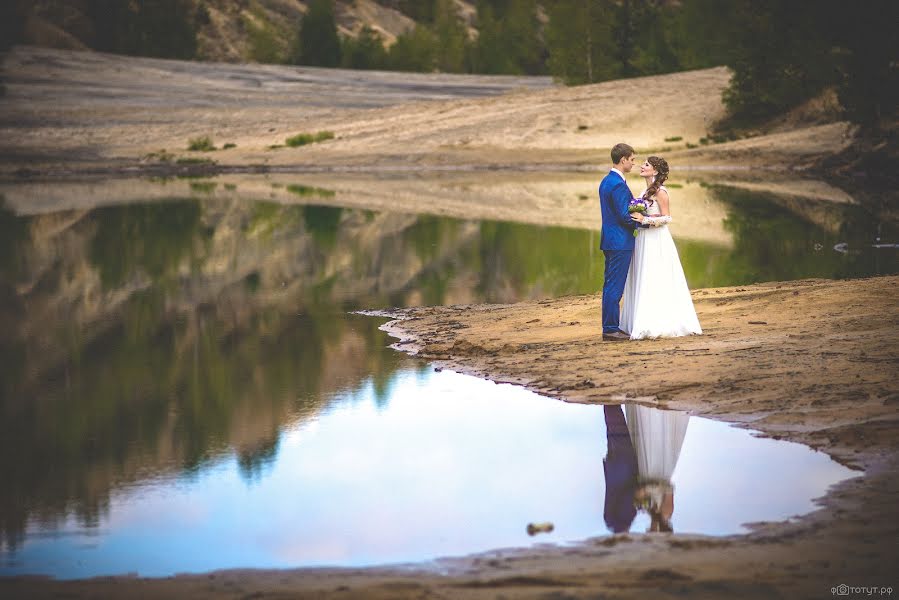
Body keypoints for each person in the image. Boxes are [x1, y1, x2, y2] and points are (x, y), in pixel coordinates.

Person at [621, 156, 702, 339]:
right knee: (644, 275)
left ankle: (658, 322)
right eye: (643, 163)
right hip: (643, 238)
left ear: (656, 171)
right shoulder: (644, 191)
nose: (642, 166)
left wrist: (645, 219)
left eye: (647, 165)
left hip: (656, 239)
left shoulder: (661, 191)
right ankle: (641, 319)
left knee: (655, 275)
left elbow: (667, 218)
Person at [598, 143, 640, 342]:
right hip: (619, 242)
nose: (633, 164)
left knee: (610, 285)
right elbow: (624, 216)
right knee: (614, 287)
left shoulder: (607, 181)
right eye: (632, 160)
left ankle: (611, 326)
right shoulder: (617, 184)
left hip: (611, 240)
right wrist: (645, 223)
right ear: (623, 160)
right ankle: (610, 329)